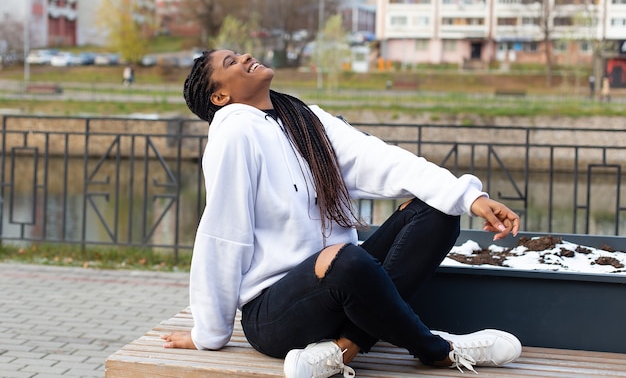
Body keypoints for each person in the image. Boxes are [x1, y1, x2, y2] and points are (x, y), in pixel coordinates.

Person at [162, 49, 522, 377]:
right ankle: (439, 350)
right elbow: (223, 235)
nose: (244, 57)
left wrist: (468, 197)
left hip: (339, 285)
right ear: (220, 96)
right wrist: (209, 333)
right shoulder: (234, 133)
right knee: (346, 259)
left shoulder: (303, 118)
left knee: (437, 208)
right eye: (230, 62)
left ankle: (345, 347)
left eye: (239, 53)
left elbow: (379, 158)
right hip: (275, 315)